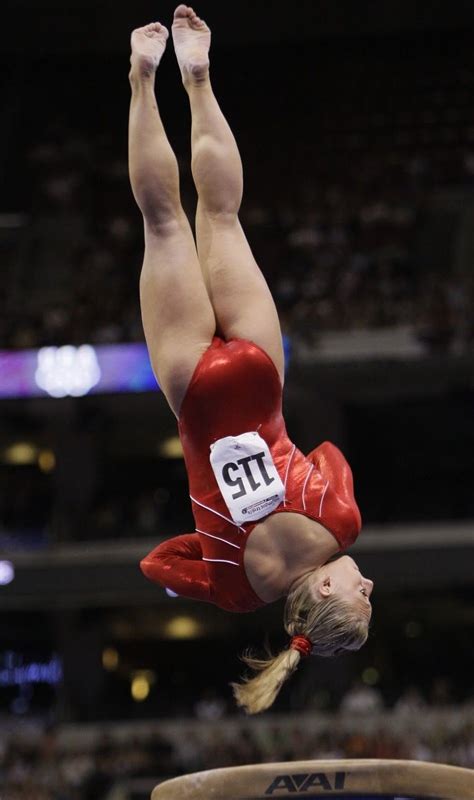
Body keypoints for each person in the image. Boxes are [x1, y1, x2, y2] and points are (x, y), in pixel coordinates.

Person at [129, 5, 374, 714]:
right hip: (196, 396)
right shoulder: (237, 590)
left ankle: (199, 81)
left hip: (261, 377)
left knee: (221, 213)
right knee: (163, 221)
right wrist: (207, 549)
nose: (367, 585)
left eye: (361, 596)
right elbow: (157, 564)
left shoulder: (343, 521)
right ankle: (144, 83)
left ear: (324, 589)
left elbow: (327, 451)